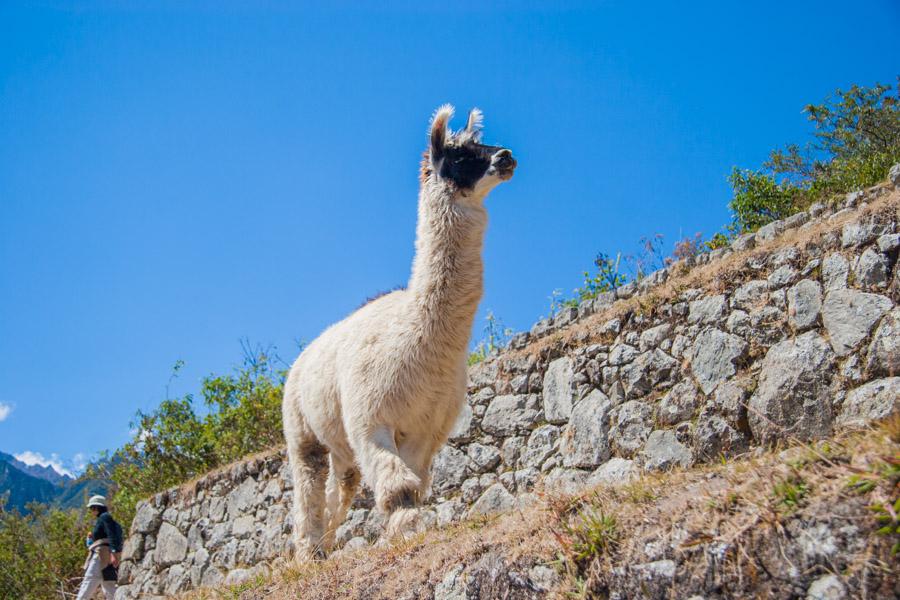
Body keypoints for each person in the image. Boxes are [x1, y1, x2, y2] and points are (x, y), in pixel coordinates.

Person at [75, 495, 122, 600]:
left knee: (90, 579)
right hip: (107, 555)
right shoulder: (106, 518)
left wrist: (114, 553)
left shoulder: (104, 517)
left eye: (92, 508)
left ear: (96, 507)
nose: (91, 511)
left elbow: (111, 535)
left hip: (101, 555)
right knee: (108, 584)